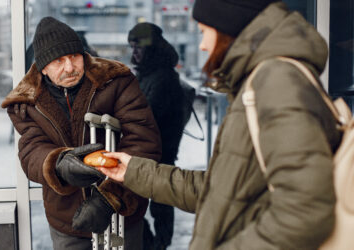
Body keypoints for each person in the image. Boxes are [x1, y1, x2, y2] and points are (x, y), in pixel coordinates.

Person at [99, 1, 342, 249]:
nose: (203, 45)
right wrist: (134, 172)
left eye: (205, 31)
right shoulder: (260, 82)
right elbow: (220, 188)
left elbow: (304, 212)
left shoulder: (275, 82)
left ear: (229, 28)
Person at [1, 16, 161, 250]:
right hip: (68, 220)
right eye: (58, 61)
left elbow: (144, 142)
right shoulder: (28, 102)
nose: (70, 67)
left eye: (74, 56)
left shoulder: (116, 81)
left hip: (122, 214)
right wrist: (58, 164)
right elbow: (31, 151)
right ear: (43, 67)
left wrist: (111, 198)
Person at [127, 22, 185, 250]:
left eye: (138, 47)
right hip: (153, 150)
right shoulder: (149, 74)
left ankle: (158, 246)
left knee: (159, 205)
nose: (134, 53)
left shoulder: (162, 77)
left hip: (161, 151)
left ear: (151, 49)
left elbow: (146, 116)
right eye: (132, 47)